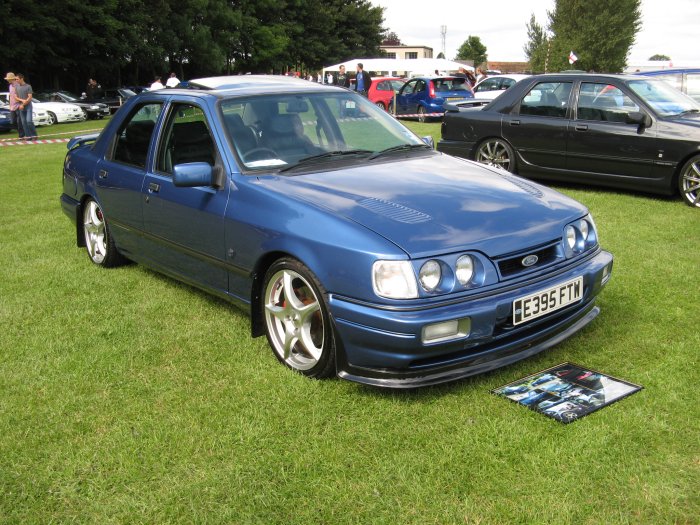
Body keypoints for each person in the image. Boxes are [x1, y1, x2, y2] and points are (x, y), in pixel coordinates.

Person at [14, 73, 37, 140]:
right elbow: (15, 97)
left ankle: (34, 135)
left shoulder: (28, 86)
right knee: (24, 122)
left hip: (28, 106)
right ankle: (28, 136)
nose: (16, 80)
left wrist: (23, 104)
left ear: (21, 79)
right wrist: (22, 101)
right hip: (21, 106)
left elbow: (30, 97)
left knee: (29, 121)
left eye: (17, 79)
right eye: (15, 79)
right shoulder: (17, 87)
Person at [4, 72, 24, 138]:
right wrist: (10, 105)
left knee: (19, 122)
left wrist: (21, 103)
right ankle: (22, 132)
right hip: (12, 106)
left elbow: (21, 95)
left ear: (12, 79)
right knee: (13, 121)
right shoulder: (10, 86)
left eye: (8, 79)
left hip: (18, 105)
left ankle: (21, 136)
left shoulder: (18, 85)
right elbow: (11, 96)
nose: (7, 80)